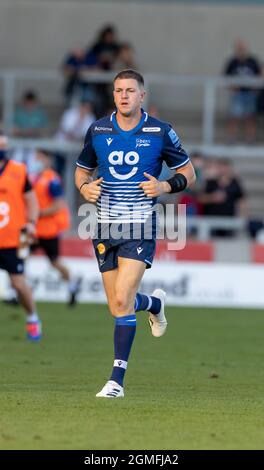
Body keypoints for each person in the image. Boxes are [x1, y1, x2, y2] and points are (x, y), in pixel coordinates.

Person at [75, 69, 196, 398]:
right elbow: (81, 172)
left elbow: (188, 173)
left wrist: (164, 185)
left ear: (143, 95)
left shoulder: (159, 131)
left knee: (120, 300)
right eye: (118, 90)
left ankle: (116, 381)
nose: (124, 95)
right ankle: (154, 304)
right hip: (103, 226)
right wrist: (85, 188)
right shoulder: (98, 129)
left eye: (130, 90)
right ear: (113, 95)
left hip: (140, 225)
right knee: (118, 306)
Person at [0, 135, 42, 341]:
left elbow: (32, 201)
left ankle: (32, 318)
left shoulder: (18, 171)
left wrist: (32, 223)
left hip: (13, 238)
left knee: (18, 283)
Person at [30, 149, 81, 306]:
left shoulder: (52, 179)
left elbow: (58, 205)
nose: (36, 161)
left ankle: (72, 284)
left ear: (47, 160)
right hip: (33, 229)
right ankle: (16, 292)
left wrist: (38, 212)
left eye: (39, 158)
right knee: (20, 256)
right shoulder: (33, 177)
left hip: (48, 229)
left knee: (54, 262)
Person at [224, 40, 261, 143]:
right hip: (238, 94)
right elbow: (226, 77)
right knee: (234, 117)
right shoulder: (233, 62)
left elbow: (259, 74)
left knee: (250, 117)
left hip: (250, 94)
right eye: (239, 48)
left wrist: (255, 88)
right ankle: (231, 138)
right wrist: (232, 87)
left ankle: (250, 139)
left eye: (243, 48)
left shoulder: (252, 61)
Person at [199, 158, 247, 237]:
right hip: (211, 220)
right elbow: (200, 199)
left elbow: (241, 200)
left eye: (225, 167)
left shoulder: (235, 183)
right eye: (221, 167)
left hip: (229, 221)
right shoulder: (211, 182)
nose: (223, 170)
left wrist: (243, 217)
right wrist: (212, 197)